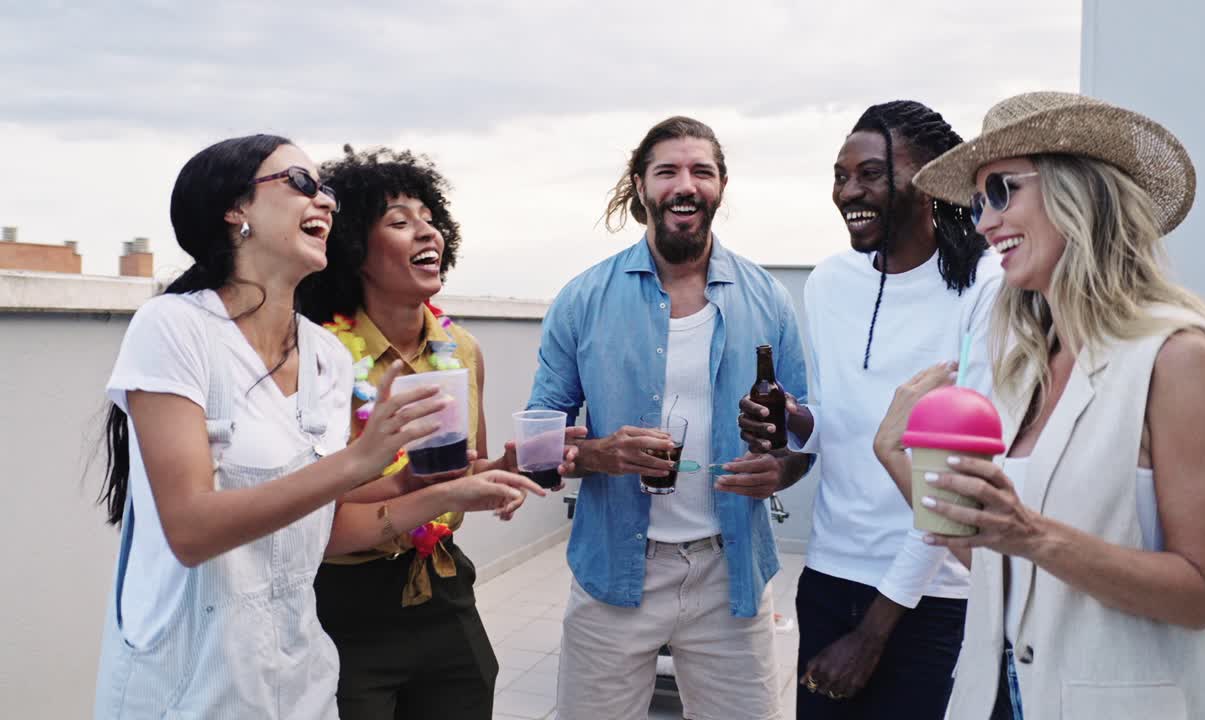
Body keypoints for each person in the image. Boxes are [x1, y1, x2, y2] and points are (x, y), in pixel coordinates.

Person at [92, 135, 538, 719]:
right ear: (235, 208)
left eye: (326, 190)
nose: (324, 201)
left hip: (301, 676)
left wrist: (420, 485)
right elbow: (190, 530)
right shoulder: (174, 327)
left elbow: (323, 520)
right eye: (301, 183)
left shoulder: (325, 355)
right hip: (190, 679)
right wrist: (360, 460)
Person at [880, 91, 1205, 719]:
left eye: (1001, 191)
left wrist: (1032, 533)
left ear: (1079, 191)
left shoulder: (1177, 357)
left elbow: (1203, 594)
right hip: (994, 699)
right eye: (977, 203)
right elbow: (1002, 567)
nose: (983, 223)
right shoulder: (1022, 365)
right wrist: (903, 464)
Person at [527, 116, 811, 720]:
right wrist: (598, 454)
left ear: (721, 186)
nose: (685, 185)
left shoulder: (769, 299)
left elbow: (802, 437)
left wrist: (781, 470)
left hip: (730, 574)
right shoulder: (582, 299)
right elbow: (536, 449)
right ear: (641, 185)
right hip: (613, 573)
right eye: (667, 172)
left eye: (701, 171)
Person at [296, 145, 579, 719]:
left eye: (430, 218)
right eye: (400, 222)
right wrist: (437, 490)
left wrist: (506, 470)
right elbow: (312, 513)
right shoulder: (317, 357)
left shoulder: (462, 350)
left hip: (443, 587)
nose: (428, 232)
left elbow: (459, 470)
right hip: (342, 606)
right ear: (355, 249)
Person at [738, 100, 1001, 718]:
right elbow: (839, 415)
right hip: (829, 576)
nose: (848, 191)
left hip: (935, 593)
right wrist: (797, 421)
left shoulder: (986, 286)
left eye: (871, 174)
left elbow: (959, 480)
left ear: (930, 180)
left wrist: (874, 631)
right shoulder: (829, 282)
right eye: (840, 175)